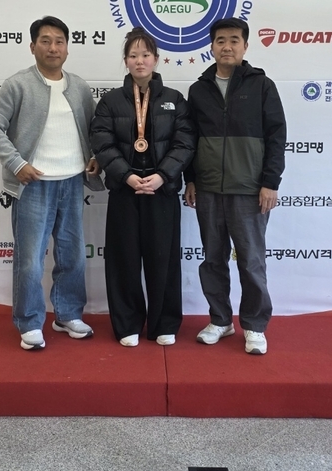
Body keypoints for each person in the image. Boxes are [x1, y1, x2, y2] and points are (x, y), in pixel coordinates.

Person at [0, 16, 100, 351]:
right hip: (33, 185)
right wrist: (16, 163)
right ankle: (30, 322)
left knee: (72, 255)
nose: (53, 47)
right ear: (33, 46)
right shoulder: (17, 85)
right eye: (45, 41)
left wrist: (95, 157)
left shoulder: (79, 87)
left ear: (67, 48)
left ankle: (68, 315)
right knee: (30, 260)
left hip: (72, 183)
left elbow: (94, 129)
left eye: (59, 41)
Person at [185, 18, 286, 355]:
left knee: (251, 261)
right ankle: (220, 320)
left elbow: (276, 137)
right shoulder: (199, 90)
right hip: (209, 188)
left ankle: (254, 325)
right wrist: (190, 179)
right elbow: (190, 140)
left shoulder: (262, 86)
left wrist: (270, 182)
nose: (226, 46)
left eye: (233, 40)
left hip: (249, 188)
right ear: (211, 46)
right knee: (213, 259)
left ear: (245, 46)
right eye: (220, 41)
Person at [91, 27, 196, 346]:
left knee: (163, 258)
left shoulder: (174, 99)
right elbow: (102, 142)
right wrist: (126, 175)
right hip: (125, 190)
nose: (140, 61)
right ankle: (127, 325)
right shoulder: (110, 101)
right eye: (133, 55)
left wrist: (163, 175)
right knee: (123, 259)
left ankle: (165, 323)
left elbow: (185, 142)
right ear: (125, 60)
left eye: (146, 55)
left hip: (161, 191)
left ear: (156, 59)